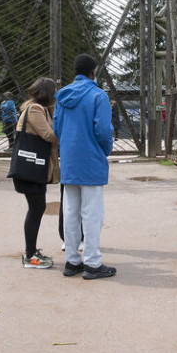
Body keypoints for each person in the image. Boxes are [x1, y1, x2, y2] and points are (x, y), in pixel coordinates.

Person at [53, 54, 116, 280]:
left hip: (69, 160)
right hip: (91, 159)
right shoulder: (98, 95)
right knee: (92, 213)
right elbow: (103, 130)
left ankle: (72, 261)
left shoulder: (62, 96)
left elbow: (57, 128)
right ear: (93, 72)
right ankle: (92, 262)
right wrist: (105, 149)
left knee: (70, 211)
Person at [13, 78, 59, 269]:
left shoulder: (37, 108)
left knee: (37, 208)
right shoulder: (35, 109)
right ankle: (30, 255)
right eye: (54, 91)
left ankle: (31, 252)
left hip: (34, 168)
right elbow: (48, 135)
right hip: (30, 168)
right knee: (36, 208)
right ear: (47, 92)